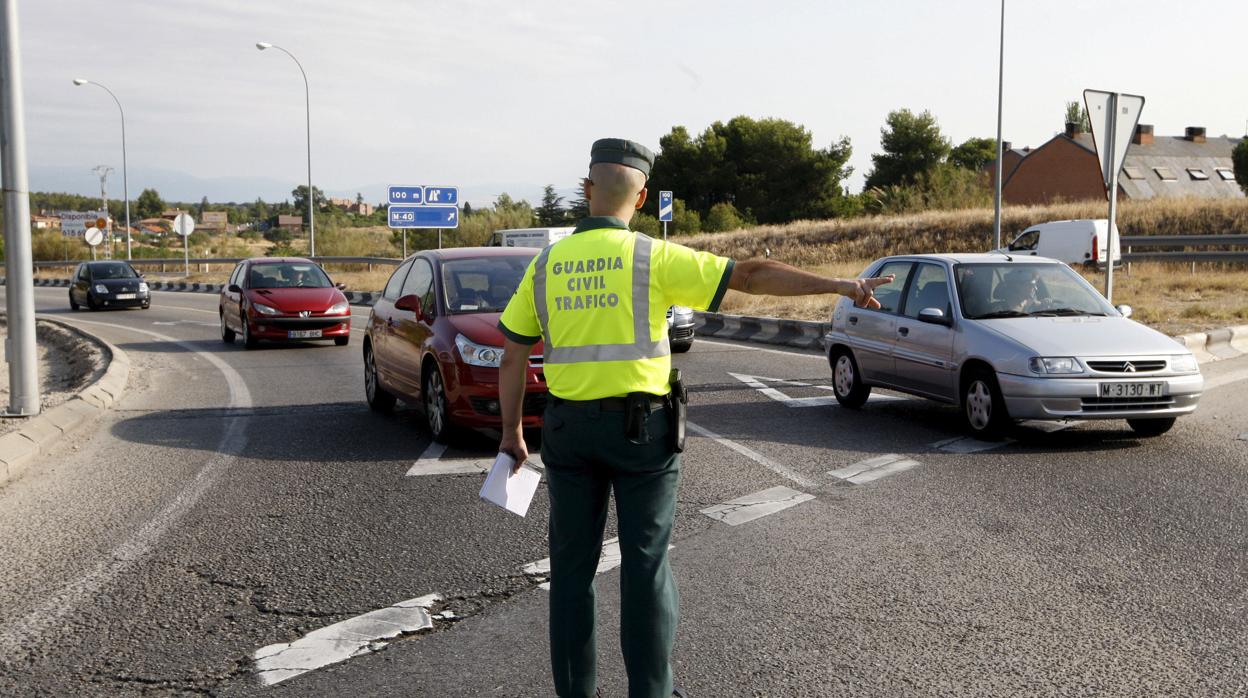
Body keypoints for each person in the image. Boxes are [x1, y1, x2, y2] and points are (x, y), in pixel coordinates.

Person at [496, 138, 893, 698]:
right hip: (643, 435)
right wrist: (841, 284)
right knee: (644, 567)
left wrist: (513, 433)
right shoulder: (651, 257)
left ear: (587, 192)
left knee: (570, 573)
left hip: (567, 432)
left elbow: (513, 352)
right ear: (641, 199)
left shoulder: (545, 266)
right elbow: (751, 276)